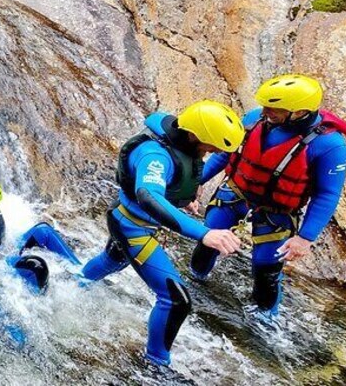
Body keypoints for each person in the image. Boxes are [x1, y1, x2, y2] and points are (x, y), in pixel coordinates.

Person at [80, 100, 246, 367]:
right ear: (194, 135)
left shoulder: (183, 143)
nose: (214, 151)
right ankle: (155, 364)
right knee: (176, 300)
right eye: (212, 145)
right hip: (133, 227)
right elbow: (148, 195)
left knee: (113, 259)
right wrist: (204, 234)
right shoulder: (154, 154)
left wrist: (184, 199)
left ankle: (75, 285)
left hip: (127, 217)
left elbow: (169, 183)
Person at [189, 74, 346, 319]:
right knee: (208, 238)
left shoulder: (330, 146)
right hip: (235, 193)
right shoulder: (255, 119)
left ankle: (265, 321)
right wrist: (194, 184)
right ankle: (193, 282)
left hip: (278, 212)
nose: (265, 111)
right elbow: (225, 155)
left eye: (274, 108)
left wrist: (305, 238)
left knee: (265, 269)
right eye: (265, 105)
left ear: (299, 112)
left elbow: (326, 195)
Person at [0, 175, 82, 292]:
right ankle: (44, 300)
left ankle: (79, 271)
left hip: (5, 249)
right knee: (37, 266)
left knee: (43, 230)